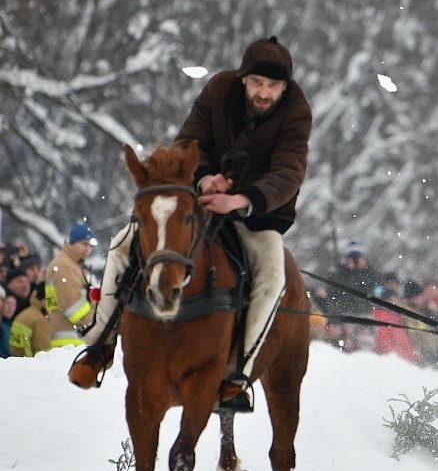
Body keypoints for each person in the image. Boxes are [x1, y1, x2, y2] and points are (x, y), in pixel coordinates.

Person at [69, 34, 312, 413]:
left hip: (257, 215)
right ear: (243, 79)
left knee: (272, 276)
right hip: (200, 202)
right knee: (122, 243)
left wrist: (242, 198)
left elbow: (289, 172)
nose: (265, 93)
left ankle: (236, 375)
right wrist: (204, 178)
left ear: (286, 87)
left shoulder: (296, 111)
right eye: (257, 83)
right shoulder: (218, 89)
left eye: (273, 86)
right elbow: (188, 141)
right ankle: (99, 345)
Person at [45, 223, 97, 351]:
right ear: (72, 242)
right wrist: (99, 324)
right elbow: (74, 309)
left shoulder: (72, 264)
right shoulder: (64, 266)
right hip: (70, 344)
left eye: (90, 246)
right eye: (84, 244)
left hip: (69, 341)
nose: (88, 249)